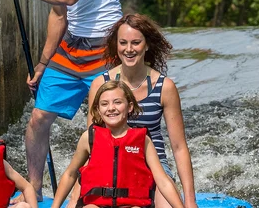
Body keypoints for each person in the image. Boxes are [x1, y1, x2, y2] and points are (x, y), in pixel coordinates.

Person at [1, 0, 122, 201]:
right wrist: (42, 64)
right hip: (72, 49)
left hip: (107, 48)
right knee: (38, 118)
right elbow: (59, 14)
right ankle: (35, 190)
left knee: (100, 125)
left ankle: (90, 189)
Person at [70, 14, 197, 208]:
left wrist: (190, 201)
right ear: (116, 45)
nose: (129, 49)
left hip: (153, 167)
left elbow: (179, 148)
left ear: (146, 45)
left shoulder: (165, 87)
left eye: (136, 42)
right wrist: (75, 193)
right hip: (109, 165)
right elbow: (93, 143)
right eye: (123, 43)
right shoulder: (100, 85)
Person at [51, 81, 185, 208]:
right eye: (104, 104)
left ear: (130, 107)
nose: (111, 108)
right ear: (98, 109)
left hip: (132, 204)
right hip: (97, 204)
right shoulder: (89, 137)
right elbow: (70, 174)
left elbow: (162, 180)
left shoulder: (143, 140)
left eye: (117, 102)